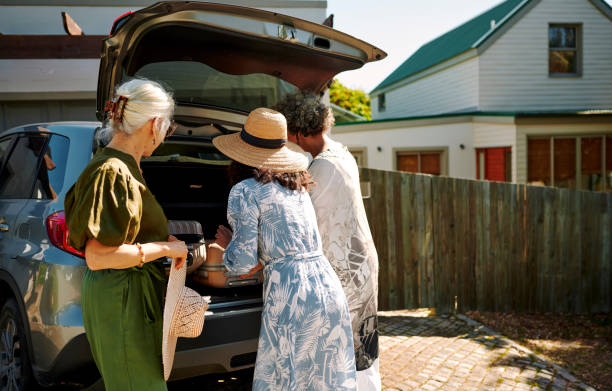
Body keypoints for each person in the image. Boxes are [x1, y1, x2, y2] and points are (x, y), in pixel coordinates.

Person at [213, 107, 357, 391]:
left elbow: (241, 265)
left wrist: (226, 246)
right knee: (325, 379)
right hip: (326, 287)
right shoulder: (298, 187)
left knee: (287, 378)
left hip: (291, 295)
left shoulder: (245, 191)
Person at [64, 79, 187, 390]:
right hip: (122, 299)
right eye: (166, 130)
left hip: (128, 295)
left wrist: (164, 246)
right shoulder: (113, 170)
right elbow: (97, 256)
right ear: (155, 123)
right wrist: (163, 249)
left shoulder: (124, 165)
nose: (163, 138)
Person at [275, 92, 381, 390]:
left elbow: (298, 225)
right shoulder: (343, 153)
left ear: (297, 132)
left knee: (344, 350)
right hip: (360, 261)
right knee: (362, 345)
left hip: (343, 270)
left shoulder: (321, 167)